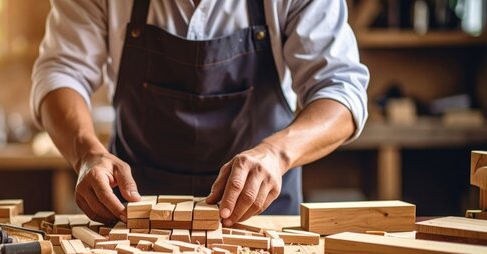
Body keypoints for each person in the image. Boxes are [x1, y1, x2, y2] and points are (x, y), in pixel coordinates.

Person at [31, 0, 369, 226]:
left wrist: (276, 154)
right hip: (133, 218)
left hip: (260, 218)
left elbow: (340, 90)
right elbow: (62, 71)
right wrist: (87, 155)